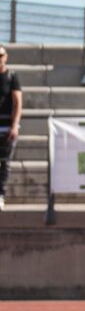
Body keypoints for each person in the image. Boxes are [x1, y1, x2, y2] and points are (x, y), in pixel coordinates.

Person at [0, 46, 21, 211]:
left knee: (5, 163)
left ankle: (1, 194)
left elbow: (17, 102)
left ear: (6, 57)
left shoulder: (12, 76)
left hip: (7, 126)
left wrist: (14, 125)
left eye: (0, 55)